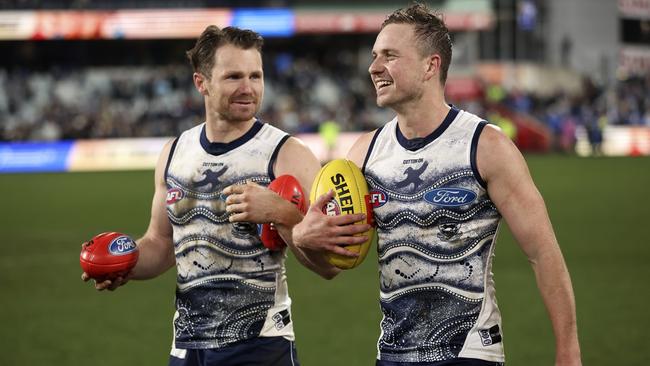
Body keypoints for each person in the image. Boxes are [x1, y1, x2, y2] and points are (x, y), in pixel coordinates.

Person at [291, 4, 582, 366]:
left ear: (431, 65)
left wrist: (568, 352)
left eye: (390, 56)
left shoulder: (485, 147)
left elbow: (543, 253)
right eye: (374, 56)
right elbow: (332, 265)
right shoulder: (362, 154)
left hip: (468, 354)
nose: (374, 67)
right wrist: (302, 234)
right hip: (392, 355)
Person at [81, 25, 358, 366]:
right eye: (233, 77)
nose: (248, 88)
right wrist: (124, 264)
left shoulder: (287, 154)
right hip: (186, 348)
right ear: (202, 83)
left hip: (260, 347)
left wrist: (283, 214)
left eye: (256, 76)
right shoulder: (174, 154)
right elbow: (162, 244)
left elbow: (330, 266)